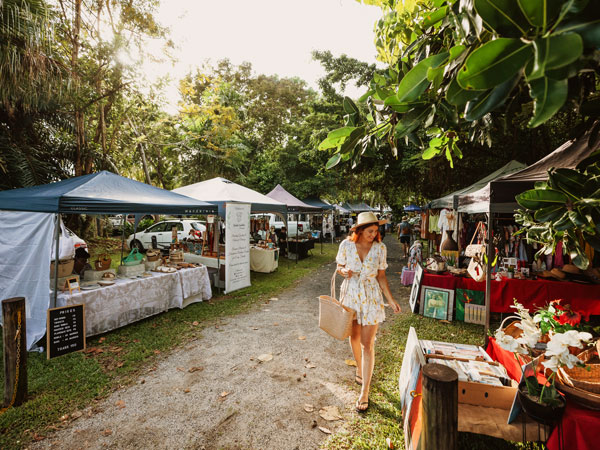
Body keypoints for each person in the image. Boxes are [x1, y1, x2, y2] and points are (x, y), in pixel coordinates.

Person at [335, 212, 401, 412]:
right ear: (360, 231)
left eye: (376, 231)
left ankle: (365, 391)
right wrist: (343, 271)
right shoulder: (346, 246)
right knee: (353, 337)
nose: (374, 234)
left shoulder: (380, 248)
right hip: (351, 295)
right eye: (370, 231)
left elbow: (381, 276)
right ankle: (359, 367)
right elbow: (339, 266)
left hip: (371, 297)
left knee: (367, 344)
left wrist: (390, 300)